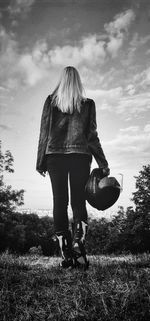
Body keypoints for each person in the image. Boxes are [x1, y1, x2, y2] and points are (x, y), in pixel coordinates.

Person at [36, 66, 110, 270]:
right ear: (78, 82)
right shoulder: (87, 104)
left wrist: (40, 161)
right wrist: (103, 163)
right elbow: (92, 137)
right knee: (79, 203)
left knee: (59, 203)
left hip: (54, 156)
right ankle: (79, 248)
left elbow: (44, 133)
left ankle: (67, 256)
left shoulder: (51, 102)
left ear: (61, 81)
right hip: (80, 156)